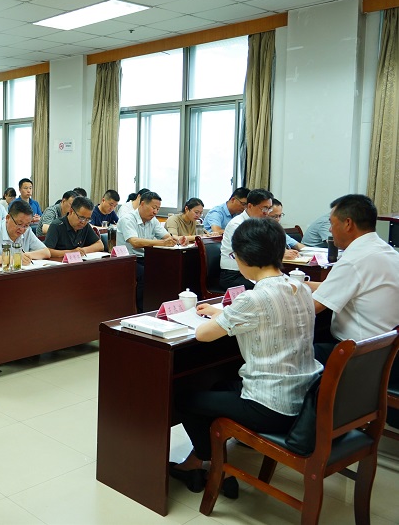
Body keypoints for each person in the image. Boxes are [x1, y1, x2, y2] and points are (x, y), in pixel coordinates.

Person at [171, 218, 321, 497]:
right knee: (218, 386)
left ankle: (212, 465)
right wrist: (223, 314)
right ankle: (200, 461)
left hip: (271, 407)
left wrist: (219, 317)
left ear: (245, 257)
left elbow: (203, 335)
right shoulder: (299, 288)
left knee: (183, 398)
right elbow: (268, 317)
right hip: (304, 397)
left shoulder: (253, 298)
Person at [307, 195, 399, 362]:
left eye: (332, 223)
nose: (330, 230)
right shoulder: (386, 251)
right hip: (388, 349)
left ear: (348, 224)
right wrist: (300, 284)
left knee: (297, 354)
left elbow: (312, 307)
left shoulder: (354, 260)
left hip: (361, 355)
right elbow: (339, 287)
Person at [118, 191, 186, 311]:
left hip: (147, 257)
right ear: (142, 204)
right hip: (127, 260)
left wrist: (178, 240)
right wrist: (162, 243)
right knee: (145, 274)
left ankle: (158, 305)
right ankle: (141, 309)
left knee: (169, 269)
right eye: (153, 208)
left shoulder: (153, 220)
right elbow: (135, 242)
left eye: (158, 209)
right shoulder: (128, 219)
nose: (155, 212)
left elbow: (167, 237)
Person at [219, 189, 275, 290]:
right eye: (264, 208)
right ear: (250, 206)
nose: (267, 213)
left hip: (254, 272)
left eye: (269, 208)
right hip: (233, 275)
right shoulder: (237, 225)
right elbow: (249, 253)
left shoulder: (261, 223)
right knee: (269, 287)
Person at [0, 200, 50, 265]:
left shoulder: (27, 231)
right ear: (8, 218)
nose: (22, 229)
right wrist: (15, 259)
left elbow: (46, 252)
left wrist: (27, 256)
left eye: (26, 225)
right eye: (19, 224)